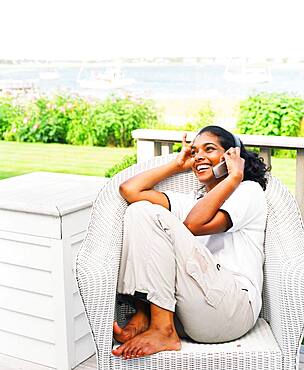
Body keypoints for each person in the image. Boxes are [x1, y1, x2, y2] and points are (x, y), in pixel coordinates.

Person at [112, 125, 269, 360]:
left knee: (150, 213)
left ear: (231, 156)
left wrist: (234, 176)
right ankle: (148, 313)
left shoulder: (248, 191)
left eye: (209, 149)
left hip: (232, 310)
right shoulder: (194, 202)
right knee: (139, 210)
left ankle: (162, 330)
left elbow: (194, 225)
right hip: (190, 312)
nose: (199, 157)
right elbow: (130, 190)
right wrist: (177, 165)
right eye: (195, 152)